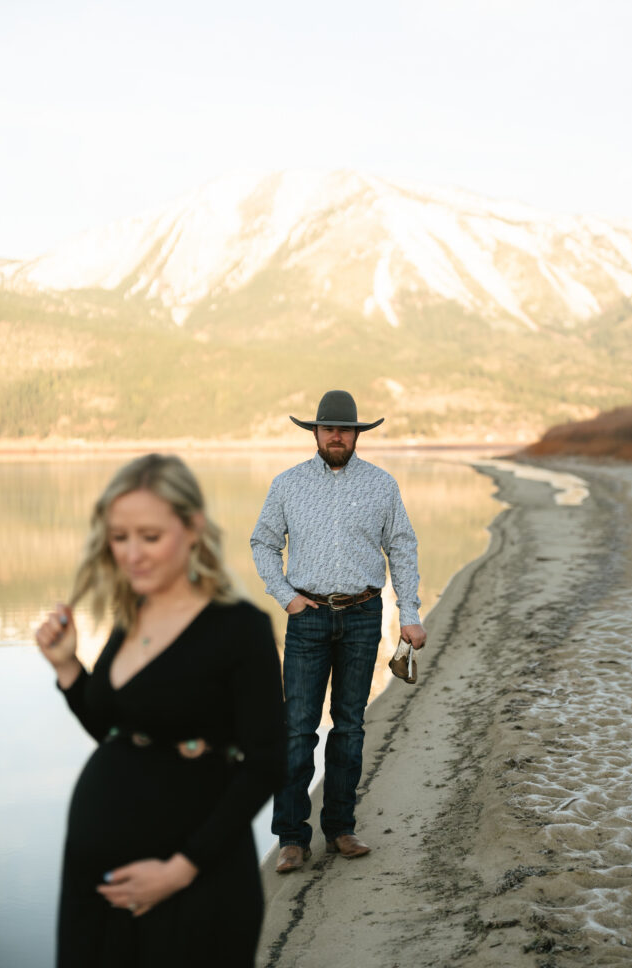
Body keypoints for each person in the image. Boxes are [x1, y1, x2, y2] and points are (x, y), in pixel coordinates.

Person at [36, 453, 285, 968]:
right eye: (119, 537)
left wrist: (179, 870)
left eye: (150, 537)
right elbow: (118, 730)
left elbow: (266, 763)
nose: (132, 555)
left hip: (194, 882)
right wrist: (68, 671)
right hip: (94, 882)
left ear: (192, 528)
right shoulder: (131, 615)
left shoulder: (239, 628)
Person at [250, 390, 425, 873]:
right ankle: (291, 838)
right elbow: (263, 542)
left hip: (364, 615)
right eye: (328, 428)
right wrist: (285, 596)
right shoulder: (286, 485)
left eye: (344, 429)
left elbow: (403, 549)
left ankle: (341, 829)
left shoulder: (382, 486)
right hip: (306, 618)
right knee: (297, 730)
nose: (336, 436)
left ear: (357, 434)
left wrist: (408, 613)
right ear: (314, 432)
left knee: (349, 727)